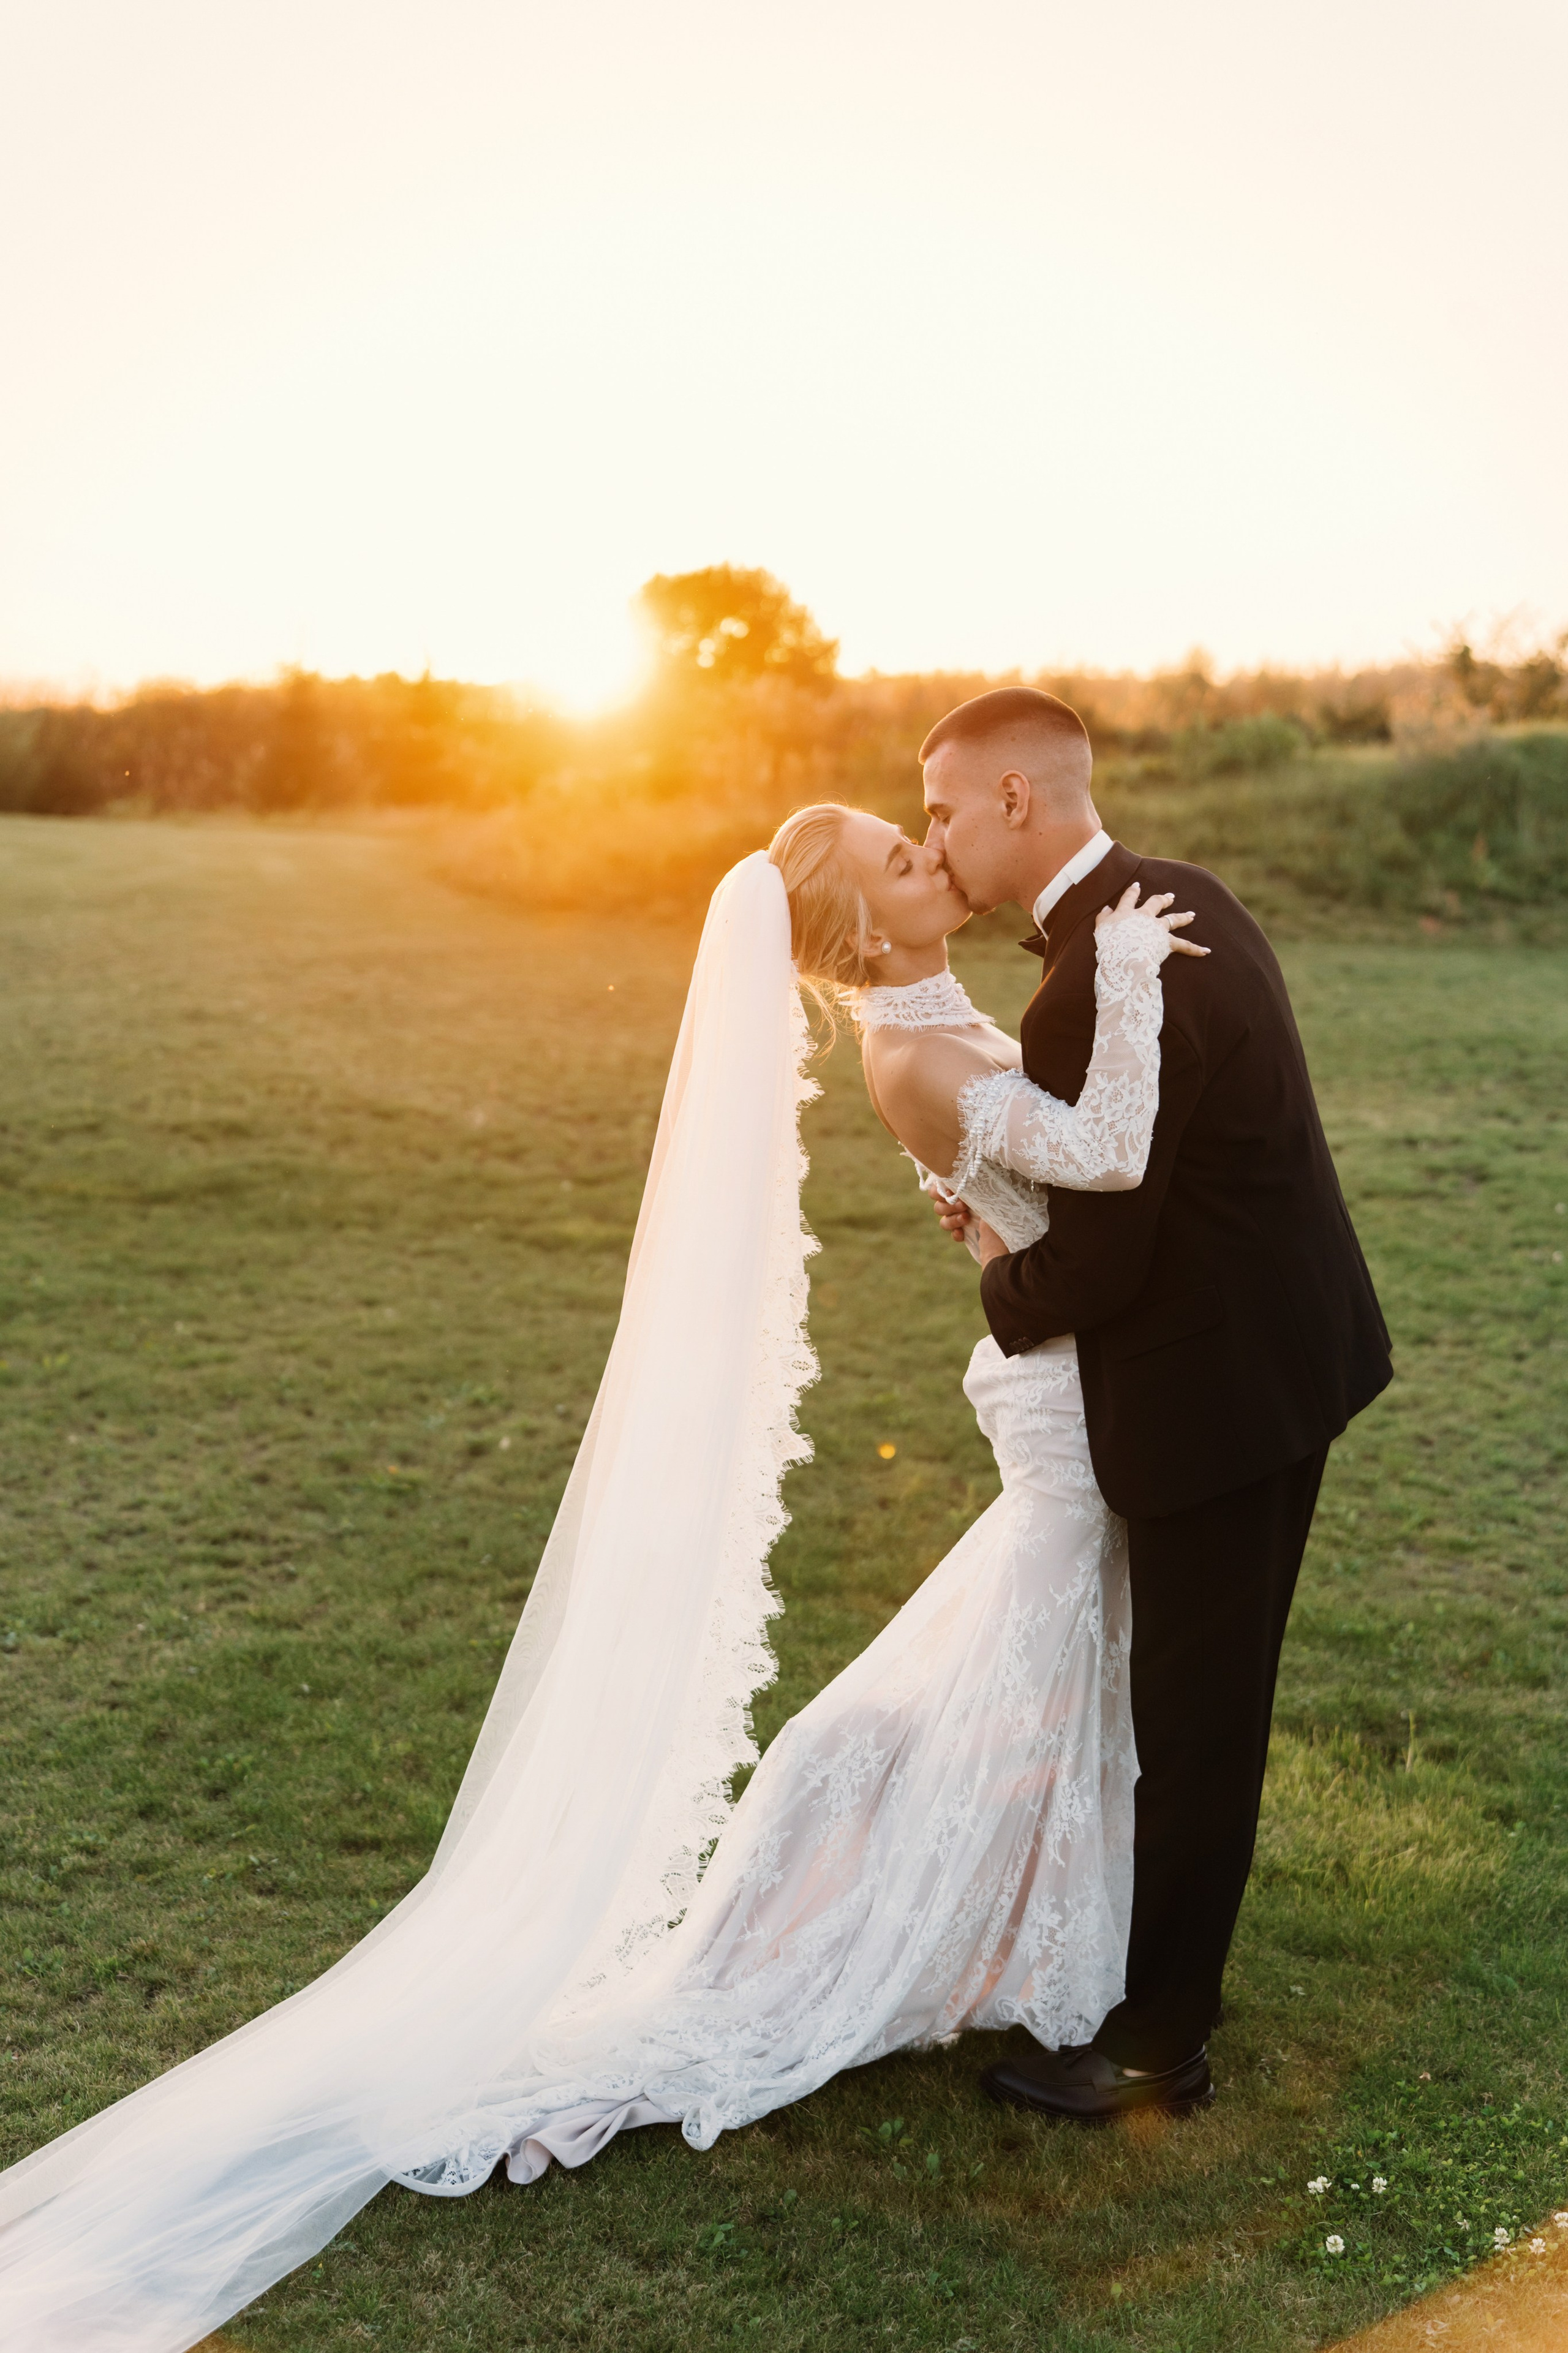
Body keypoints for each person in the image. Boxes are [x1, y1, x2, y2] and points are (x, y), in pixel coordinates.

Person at [0, 823, 1199, 2352]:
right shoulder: (908, 1056)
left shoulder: (938, 1017)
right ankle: (963, 1941)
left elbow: (1048, 1183)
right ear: (859, 923)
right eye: (900, 853)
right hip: (1058, 1408)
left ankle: (1025, 1924)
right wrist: (1133, 974)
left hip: (1072, 1379)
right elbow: (1101, 1154)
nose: (929, 854)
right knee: (1002, 1668)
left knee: (1041, 1667)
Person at [918, 686, 1393, 2123]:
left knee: (1194, 1721)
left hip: (1215, 1400)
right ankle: (1156, 1986)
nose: (932, 838)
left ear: (1015, 799)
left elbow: (1105, 1261)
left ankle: (1155, 2047)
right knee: (1201, 1706)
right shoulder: (1184, 896)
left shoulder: (1083, 983)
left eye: (942, 809)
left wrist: (999, 1276)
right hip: (1287, 1358)